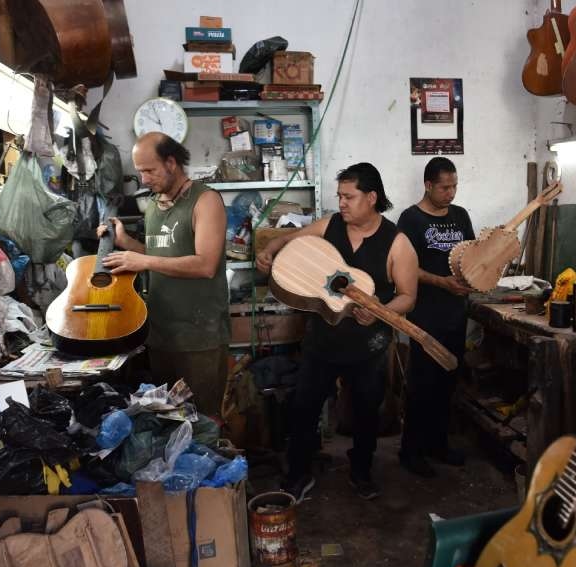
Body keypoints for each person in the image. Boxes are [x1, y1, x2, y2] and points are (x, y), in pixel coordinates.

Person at [256, 162, 418, 501]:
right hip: (322, 341)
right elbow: (289, 239)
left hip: (368, 344)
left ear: (372, 197)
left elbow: (408, 296)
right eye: (339, 196)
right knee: (304, 408)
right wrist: (270, 250)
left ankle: (361, 470)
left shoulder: (397, 243)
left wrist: (380, 313)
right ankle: (298, 473)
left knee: (365, 411)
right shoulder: (330, 225)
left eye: (349, 196)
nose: (341, 203)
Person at [98, 132, 230, 417]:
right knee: (167, 420)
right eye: (139, 172)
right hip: (161, 335)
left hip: (198, 338)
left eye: (149, 170)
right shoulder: (155, 207)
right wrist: (124, 243)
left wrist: (142, 260)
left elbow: (205, 264)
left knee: (202, 422)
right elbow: (160, 253)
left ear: (171, 163)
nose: (143, 179)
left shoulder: (205, 201)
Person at [397, 157, 475, 477]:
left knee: (447, 382)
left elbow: (471, 253)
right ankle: (411, 451)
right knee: (422, 384)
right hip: (425, 314)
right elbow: (404, 267)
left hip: (456, 313)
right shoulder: (411, 219)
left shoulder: (460, 216)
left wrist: (481, 271)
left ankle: (438, 445)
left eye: (454, 186)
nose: (451, 193)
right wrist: (442, 281)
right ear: (428, 185)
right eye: (445, 187)